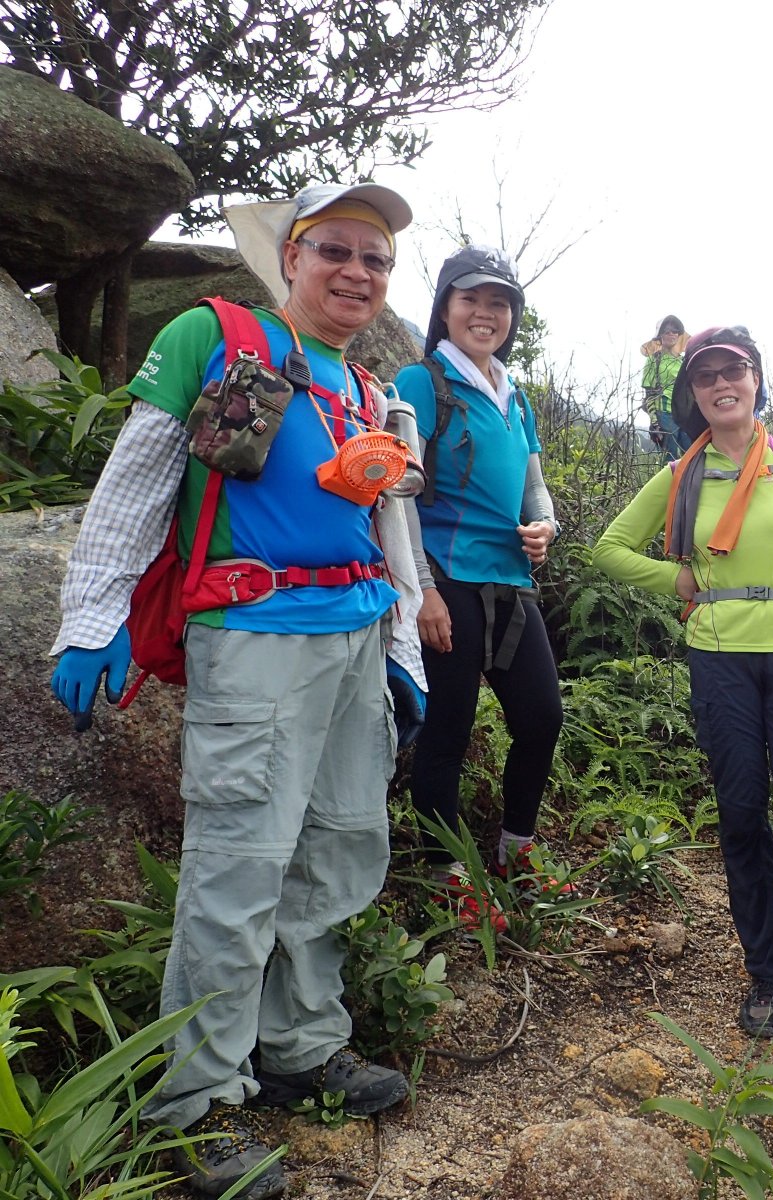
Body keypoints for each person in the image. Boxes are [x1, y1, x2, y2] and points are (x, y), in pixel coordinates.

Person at [49, 182, 426, 1199]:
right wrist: (91, 616)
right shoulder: (215, 336)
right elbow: (136, 482)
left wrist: (405, 653)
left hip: (356, 639)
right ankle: (200, 1098)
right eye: (335, 250)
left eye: (376, 260)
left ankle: (301, 1044)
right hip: (254, 635)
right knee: (238, 868)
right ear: (291, 255)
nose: (356, 273)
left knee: (340, 848)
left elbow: (390, 529)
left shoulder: (368, 387)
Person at [593, 325, 773, 1044]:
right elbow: (608, 549)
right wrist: (676, 579)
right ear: (693, 393)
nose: (721, 384)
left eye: (732, 371)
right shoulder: (682, 473)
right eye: (705, 376)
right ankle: (768, 974)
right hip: (719, 661)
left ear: (755, 379)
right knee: (742, 817)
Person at [393, 245, 563, 918]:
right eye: (471, 300)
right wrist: (422, 591)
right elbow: (398, 497)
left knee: (542, 719)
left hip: (510, 584)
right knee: (448, 730)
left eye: (499, 303)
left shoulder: (515, 396)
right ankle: (446, 876)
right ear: (445, 308)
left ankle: (515, 851)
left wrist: (545, 526)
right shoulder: (421, 382)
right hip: (448, 578)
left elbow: (534, 488)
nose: (485, 313)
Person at [641, 314, 689, 453]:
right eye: (667, 331)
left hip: (683, 414)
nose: (672, 334)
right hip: (664, 414)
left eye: (675, 331)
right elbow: (649, 393)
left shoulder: (683, 361)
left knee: (691, 454)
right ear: (660, 335)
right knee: (669, 457)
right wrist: (655, 423)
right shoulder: (654, 360)